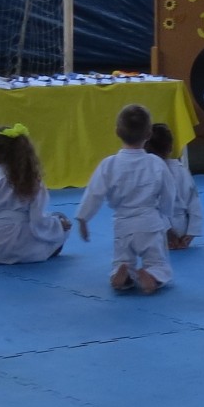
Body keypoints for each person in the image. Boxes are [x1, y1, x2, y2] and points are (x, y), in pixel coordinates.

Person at [76, 103, 176, 294]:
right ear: (148, 134)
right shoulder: (156, 163)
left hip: (123, 225)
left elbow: (94, 193)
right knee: (158, 262)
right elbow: (169, 192)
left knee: (121, 260)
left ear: (117, 132)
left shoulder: (109, 164)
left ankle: (121, 273)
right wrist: (166, 214)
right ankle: (152, 275)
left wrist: (83, 219)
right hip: (150, 223)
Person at [0, 122, 70, 264]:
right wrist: (58, 225)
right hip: (27, 251)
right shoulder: (33, 181)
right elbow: (38, 222)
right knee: (60, 219)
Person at [146, 122, 203, 249]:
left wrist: (168, 231)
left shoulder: (147, 173)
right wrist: (191, 232)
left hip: (158, 230)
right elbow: (194, 202)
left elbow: (153, 206)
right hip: (181, 229)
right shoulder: (181, 170)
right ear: (171, 147)